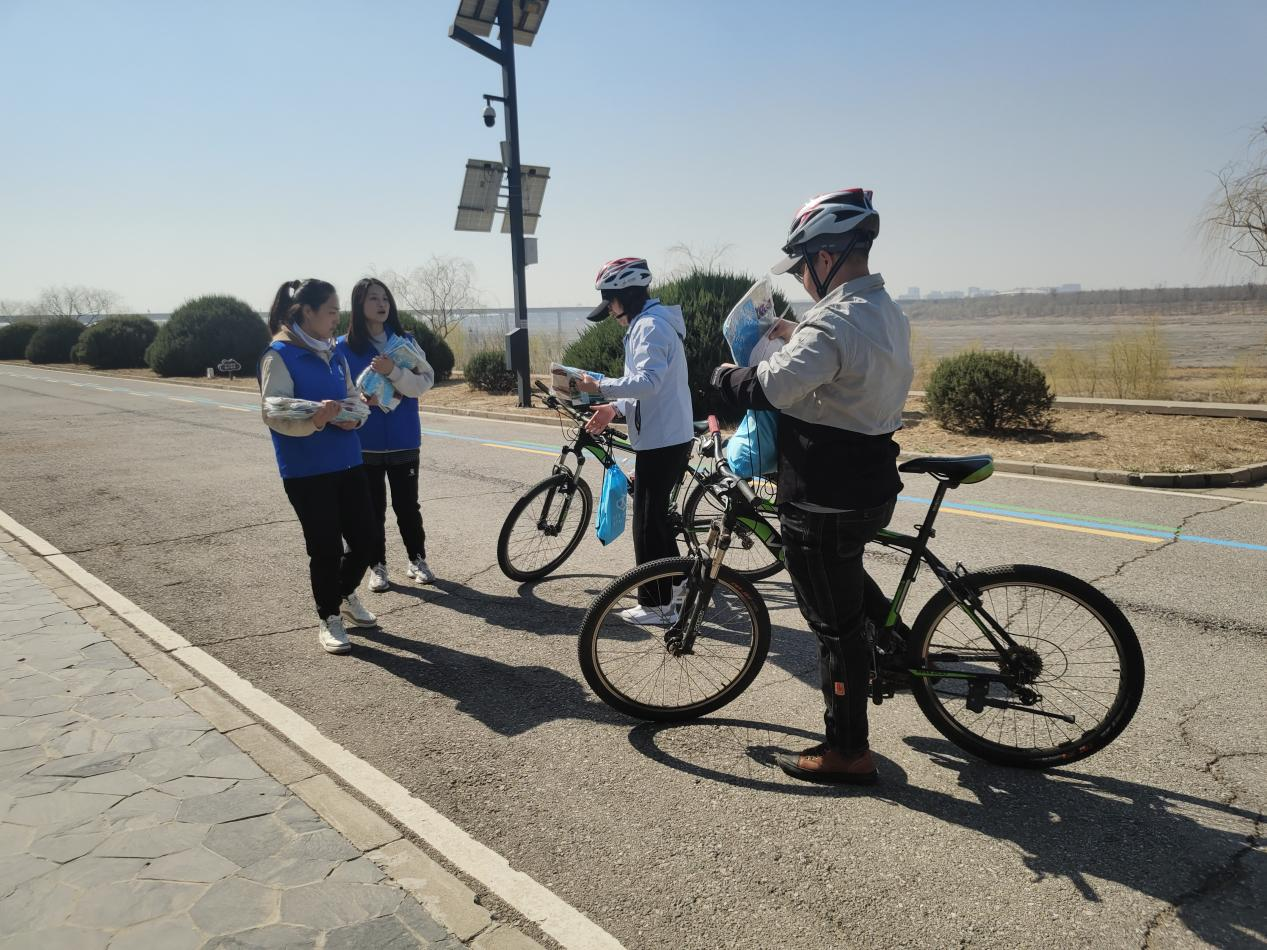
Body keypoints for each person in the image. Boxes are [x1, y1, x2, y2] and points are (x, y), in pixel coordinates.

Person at [710, 189, 914, 784]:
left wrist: (728, 376)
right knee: (842, 577)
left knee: (833, 627)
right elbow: (838, 357)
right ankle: (904, 646)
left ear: (827, 256)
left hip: (825, 492)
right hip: (869, 480)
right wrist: (792, 331)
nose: (800, 277)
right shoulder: (882, 310)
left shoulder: (833, 321)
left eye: (802, 265)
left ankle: (847, 750)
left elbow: (771, 388)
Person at [259, 279, 379, 655]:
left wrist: (354, 414)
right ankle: (328, 616)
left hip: (347, 460)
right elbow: (272, 411)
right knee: (325, 547)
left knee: (368, 539)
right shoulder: (279, 354)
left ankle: (343, 592)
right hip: (306, 470)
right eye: (330, 310)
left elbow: (351, 400)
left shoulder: (333, 352)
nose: (336, 317)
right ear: (307, 313)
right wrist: (317, 419)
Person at [576, 258, 694, 624]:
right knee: (654, 521)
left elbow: (648, 382)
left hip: (663, 439)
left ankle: (658, 605)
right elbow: (645, 388)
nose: (610, 312)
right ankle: (678, 584)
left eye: (610, 302)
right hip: (664, 436)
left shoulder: (650, 327)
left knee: (647, 523)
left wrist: (599, 386)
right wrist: (613, 407)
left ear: (625, 296)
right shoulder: (649, 324)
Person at [335, 278, 436, 593]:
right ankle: (376, 566)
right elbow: (337, 393)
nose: (381, 304)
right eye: (373, 299)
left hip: (405, 438)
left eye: (385, 299)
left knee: (408, 506)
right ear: (358, 305)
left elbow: (425, 382)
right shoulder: (342, 347)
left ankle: (417, 558)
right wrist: (359, 403)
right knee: (372, 509)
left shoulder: (404, 342)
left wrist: (393, 371)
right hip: (365, 444)